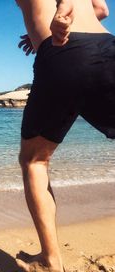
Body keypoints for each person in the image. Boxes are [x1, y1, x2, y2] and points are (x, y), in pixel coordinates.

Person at [15, 0, 114, 271]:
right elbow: (103, 10)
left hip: (62, 52)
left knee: (34, 161)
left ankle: (50, 261)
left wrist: (58, 16)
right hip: (107, 48)